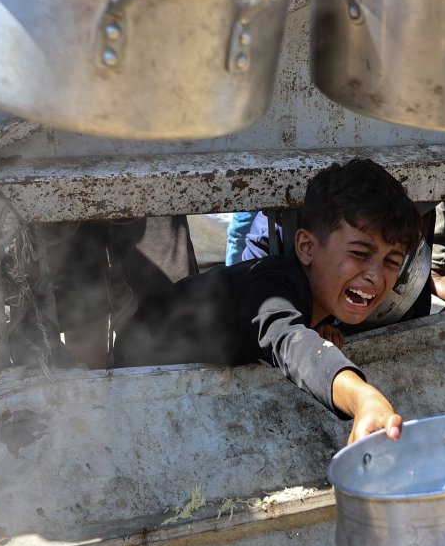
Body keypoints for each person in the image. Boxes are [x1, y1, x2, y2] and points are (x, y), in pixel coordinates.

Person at [113, 159, 420, 444]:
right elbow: (292, 344)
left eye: (392, 261)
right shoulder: (272, 286)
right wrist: (363, 397)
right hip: (136, 381)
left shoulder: (320, 294)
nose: (376, 277)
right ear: (306, 247)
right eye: (359, 254)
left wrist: (319, 327)